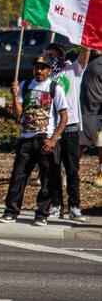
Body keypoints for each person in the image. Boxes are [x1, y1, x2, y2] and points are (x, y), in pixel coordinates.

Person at [0, 56, 68, 226]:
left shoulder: (54, 88)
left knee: (47, 179)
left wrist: (53, 139)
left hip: (45, 139)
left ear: (49, 70)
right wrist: (15, 97)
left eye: (43, 68)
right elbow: (18, 113)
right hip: (27, 139)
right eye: (37, 67)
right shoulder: (25, 85)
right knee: (18, 177)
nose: (39, 71)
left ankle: (42, 213)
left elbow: (64, 117)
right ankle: (11, 211)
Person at [44, 43, 89, 221]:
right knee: (53, 168)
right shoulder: (46, 75)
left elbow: (85, 52)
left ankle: (74, 206)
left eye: (55, 55)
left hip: (70, 127)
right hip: (52, 128)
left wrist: (83, 37)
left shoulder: (73, 69)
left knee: (72, 169)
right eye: (49, 55)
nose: (51, 58)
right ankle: (56, 205)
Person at [79, 50, 102, 187]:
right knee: (80, 144)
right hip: (85, 110)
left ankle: (100, 173)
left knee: (101, 144)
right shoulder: (85, 58)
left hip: (99, 111)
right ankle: (70, 172)